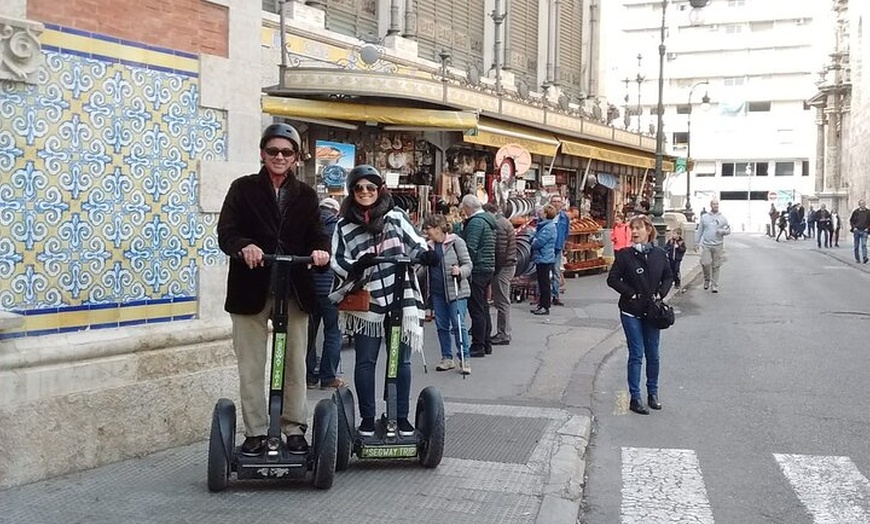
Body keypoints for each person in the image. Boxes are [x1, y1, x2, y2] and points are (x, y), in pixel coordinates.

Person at [217, 123, 331, 456]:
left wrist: (321, 252)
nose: (279, 157)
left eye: (286, 152)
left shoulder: (307, 194)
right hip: (249, 287)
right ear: (262, 154)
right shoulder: (243, 188)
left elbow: (319, 235)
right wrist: (245, 246)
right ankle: (254, 432)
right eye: (273, 151)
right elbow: (226, 232)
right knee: (251, 365)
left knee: (295, 363)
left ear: (296, 157)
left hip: (294, 287)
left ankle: (293, 428)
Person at [330, 165, 436, 437]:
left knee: (401, 362)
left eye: (370, 188)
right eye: (359, 188)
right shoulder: (344, 225)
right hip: (368, 300)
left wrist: (426, 255)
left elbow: (416, 243)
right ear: (351, 192)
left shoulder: (395, 216)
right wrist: (358, 265)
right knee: (365, 361)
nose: (365, 192)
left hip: (402, 297)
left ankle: (399, 416)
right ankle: (367, 418)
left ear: (380, 190)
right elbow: (338, 261)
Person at [606, 214, 673, 415]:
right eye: (632, 228)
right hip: (631, 311)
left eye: (638, 228)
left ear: (649, 231)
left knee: (653, 353)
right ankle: (635, 397)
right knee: (636, 353)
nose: (634, 232)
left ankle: (652, 393)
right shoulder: (625, 255)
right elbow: (613, 279)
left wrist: (660, 294)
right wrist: (631, 293)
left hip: (652, 311)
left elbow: (668, 276)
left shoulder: (659, 254)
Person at [422, 214, 473, 375]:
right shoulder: (428, 246)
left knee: (458, 325)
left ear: (438, 228)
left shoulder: (456, 242)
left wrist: (460, 271)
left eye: (428, 228)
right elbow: (423, 269)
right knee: (442, 326)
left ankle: (464, 358)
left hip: (456, 291)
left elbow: (468, 264)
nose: (426, 232)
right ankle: (447, 358)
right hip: (437, 293)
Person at [306, 197, 344, 389]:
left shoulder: (307, 223)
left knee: (308, 333)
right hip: (331, 288)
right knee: (333, 332)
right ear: (335, 211)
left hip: (310, 288)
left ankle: (309, 376)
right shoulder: (338, 227)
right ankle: (328, 377)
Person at [459, 194, 497, 358]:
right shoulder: (488, 221)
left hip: (478, 269)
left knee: (476, 309)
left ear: (468, 207)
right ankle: (486, 343)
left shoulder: (475, 223)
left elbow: (470, 247)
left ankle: (478, 345)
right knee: (483, 307)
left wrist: (464, 266)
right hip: (488, 266)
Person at [483, 203, 516, 346]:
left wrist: (495, 268)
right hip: (507, 264)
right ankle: (503, 332)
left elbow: (500, 249)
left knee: (502, 300)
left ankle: (504, 333)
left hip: (504, 266)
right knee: (501, 300)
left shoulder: (499, 224)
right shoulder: (503, 222)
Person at [695, 198, 730, 293]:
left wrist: (722, 231)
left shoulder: (723, 218)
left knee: (716, 265)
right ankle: (707, 278)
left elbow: (728, 230)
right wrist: (696, 242)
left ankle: (714, 285)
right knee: (705, 263)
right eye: (714, 204)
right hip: (706, 244)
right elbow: (700, 230)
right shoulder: (705, 217)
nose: (716, 206)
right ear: (711, 205)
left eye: (717, 204)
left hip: (718, 244)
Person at [530, 204, 557, 316]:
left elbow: (538, 242)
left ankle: (545, 306)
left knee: (544, 284)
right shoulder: (544, 226)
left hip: (544, 258)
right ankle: (541, 304)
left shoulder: (548, 227)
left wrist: (532, 240)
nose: (540, 213)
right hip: (542, 257)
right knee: (542, 283)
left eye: (542, 211)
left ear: (546, 214)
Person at [550, 195, 570, 306]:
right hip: (547, 248)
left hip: (557, 248)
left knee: (556, 272)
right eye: (554, 201)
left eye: (558, 201)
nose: (556, 203)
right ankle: (543, 295)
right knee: (544, 272)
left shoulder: (564, 217)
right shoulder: (546, 215)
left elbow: (566, 232)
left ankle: (555, 296)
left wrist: (563, 244)